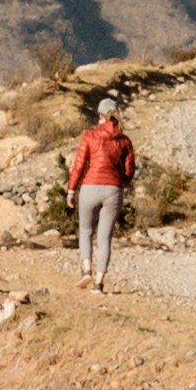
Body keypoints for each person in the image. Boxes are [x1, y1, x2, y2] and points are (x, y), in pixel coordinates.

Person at [65, 99, 137, 287]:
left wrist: (71, 190)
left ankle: (86, 269)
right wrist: (123, 183)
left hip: (90, 187)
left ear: (101, 116)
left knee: (86, 230)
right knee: (105, 238)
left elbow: (79, 165)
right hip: (114, 190)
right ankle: (99, 284)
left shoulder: (90, 136)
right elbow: (130, 168)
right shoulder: (124, 140)